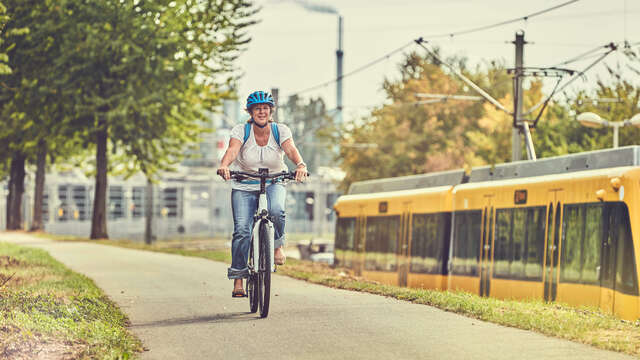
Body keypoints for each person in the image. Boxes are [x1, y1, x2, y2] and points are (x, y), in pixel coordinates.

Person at [217, 90, 308, 298]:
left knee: (276, 210)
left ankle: (277, 246)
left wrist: (301, 165)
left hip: (274, 181)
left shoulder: (280, 130)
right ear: (250, 111)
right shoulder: (241, 130)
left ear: (271, 111)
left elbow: (291, 150)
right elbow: (232, 150)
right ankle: (239, 279)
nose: (261, 112)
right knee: (242, 230)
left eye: (265, 108)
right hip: (244, 184)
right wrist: (224, 165)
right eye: (257, 108)